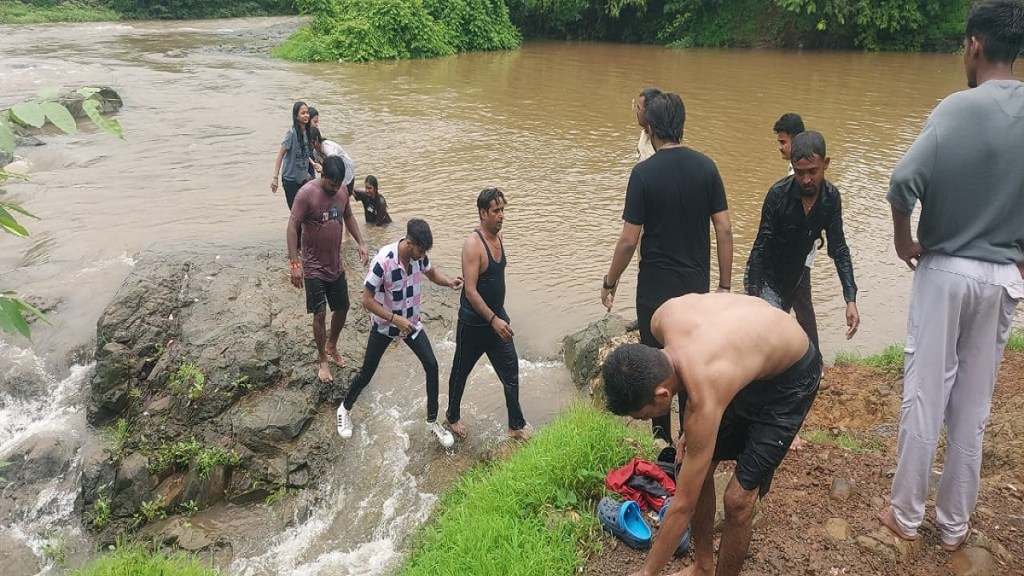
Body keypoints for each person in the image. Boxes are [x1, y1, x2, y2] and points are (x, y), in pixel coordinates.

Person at [878, 0, 1024, 553]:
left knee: (925, 394)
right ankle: (956, 527)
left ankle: (906, 515)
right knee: (974, 407)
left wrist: (901, 240)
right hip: (1002, 278)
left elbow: (901, 184)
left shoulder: (956, 108)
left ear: (974, 45)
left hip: (946, 271)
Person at [602, 293, 821, 576]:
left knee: (737, 500)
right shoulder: (662, 318)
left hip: (792, 377)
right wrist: (691, 433)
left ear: (662, 393)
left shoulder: (705, 392)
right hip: (745, 367)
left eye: (644, 415)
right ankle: (702, 567)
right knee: (691, 468)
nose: (647, 420)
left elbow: (682, 507)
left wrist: (646, 573)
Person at [601, 91, 734, 446]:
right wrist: (723, 287)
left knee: (655, 371)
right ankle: (693, 439)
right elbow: (724, 228)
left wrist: (609, 281)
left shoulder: (643, 174)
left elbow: (629, 240)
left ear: (651, 127)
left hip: (655, 294)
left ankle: (663, 445)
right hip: (696, 291)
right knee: (692, 367)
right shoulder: (707, 167)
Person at [336, 219, 463, 448]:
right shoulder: (383, 261)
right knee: (367, 372)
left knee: (432, 366)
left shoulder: (419, 257)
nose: (422, 256)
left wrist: (449, 282)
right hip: (385, 326)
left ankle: (433, 422)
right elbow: (366, 300)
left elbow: (432, 272)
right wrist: (395, 319)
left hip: (411, 324)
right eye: (421, 250)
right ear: (409, 242)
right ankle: (344, 409)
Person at [744, 130, 860, 344]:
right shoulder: (777, 195)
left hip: (793, 278)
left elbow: (839, 249)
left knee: (781, 341)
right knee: (768, 339)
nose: (806, 179)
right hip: (765, 279)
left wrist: (850, 299)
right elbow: (760, 247)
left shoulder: (831, 199)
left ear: (826, 164)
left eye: (812, 171)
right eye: (799, 172)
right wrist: (753, 295)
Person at [445, 188, 529, 441]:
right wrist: (493, 320)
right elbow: (470, 291)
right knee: (460, 372)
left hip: (497, 320)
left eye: (503, 210)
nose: (501, 215)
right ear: (483, 213)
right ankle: (452, 417)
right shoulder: (473, 245)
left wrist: (498, 317)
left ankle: (515, 425)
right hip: (474, 324)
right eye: (496, 211)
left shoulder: (499, 237)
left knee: (511, 370)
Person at [287, 155, 369, 383]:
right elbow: (292, 227)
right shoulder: (306, 194)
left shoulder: (342, 190)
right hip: (313, 265)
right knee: (320, 313)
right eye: (332, 184)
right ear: (323, 176)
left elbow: (349, 216)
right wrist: (295, 264)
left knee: (342, 308)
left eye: (339, 183)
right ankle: (322, 359)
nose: (335, 188)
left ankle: (332, 345)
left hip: (335, 263)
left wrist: (361, 243)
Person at [772, 113, 818, 355]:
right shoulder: (798, 170)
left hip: (798, 254)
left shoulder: (801, 174)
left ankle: (814, 360)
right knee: (785, 304)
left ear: (796, 140)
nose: (779, 148)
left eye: (783, 142)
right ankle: (786, 354)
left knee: (800, 305)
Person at [272, 101, 321, 209]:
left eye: (307, 113)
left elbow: (304, 153)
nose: (306, 115)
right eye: (303, 113)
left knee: (308, 209)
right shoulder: (292, 133)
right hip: (290, 180)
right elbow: (280, 155)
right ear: (296, 116)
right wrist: (275, 178)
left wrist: (313, 164)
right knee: (296, 213)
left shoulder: (307, 132)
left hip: (302, 179)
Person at [310, 127, 355, 194]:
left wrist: (323, 169)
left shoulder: (327, 147)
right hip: (333, 172)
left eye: (310, 141)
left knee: (344, 192)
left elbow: (334, 164)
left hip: (345, 168)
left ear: (316, 139)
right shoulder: (315, 152)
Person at [633, 86, 662, 162]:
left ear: (649, 112)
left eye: (639, 109)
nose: (636, 112)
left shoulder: (659, 143)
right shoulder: (645, 132)